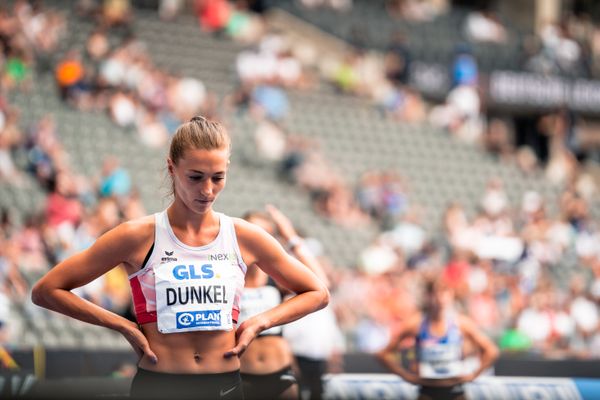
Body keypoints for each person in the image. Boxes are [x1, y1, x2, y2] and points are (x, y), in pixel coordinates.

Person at [31, 116, 329, 400]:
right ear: (172, 168)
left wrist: (259, 323)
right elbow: (46, 290)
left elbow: (318, 292)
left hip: (224, 385)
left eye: (218, 177)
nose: (207, 190)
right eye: (196, 177)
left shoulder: (243, 235)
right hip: (160, 385)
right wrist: (123, 325)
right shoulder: (137, 235)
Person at [238, 205, 329, 400]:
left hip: (280, 373)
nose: (259, 240)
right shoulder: (230, 276)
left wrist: (291, 237)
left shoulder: (276, 280)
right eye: (254, 231)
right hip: (240, 374)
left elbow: (321, 284)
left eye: (266, 234)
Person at [376, 277, 499, 400]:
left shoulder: (460, 323)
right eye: (435, 294)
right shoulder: (416, 323)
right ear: (428, 296)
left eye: (444, 293)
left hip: (455, 389)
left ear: (451, 295)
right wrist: (406, 376)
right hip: (427, 390)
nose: (440, 299)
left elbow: (491, 351)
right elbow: (383, 353)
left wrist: (473, 375)